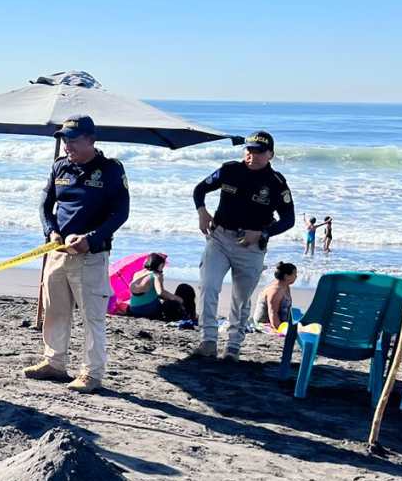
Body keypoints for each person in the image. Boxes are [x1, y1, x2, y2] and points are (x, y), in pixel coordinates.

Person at [23, 115, 130, 393]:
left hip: (90, 255)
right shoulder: (60, 167)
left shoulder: (110, 170)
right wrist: (51, 231)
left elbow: (120, 213)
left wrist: (91, 239)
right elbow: (45, 206)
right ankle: (54, 362)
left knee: (92, 316)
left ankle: (91, 374)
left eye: (73, 139)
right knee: (55, 309)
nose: (67, 145)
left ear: (90, 140)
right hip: (58, 252)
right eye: (64, 139)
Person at [191, 130, 296, 361]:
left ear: (270, 154)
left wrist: (263, 233)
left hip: (251, 247)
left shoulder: (276, 183)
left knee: (241, 297)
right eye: (249, 149)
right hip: (219, 238)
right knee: (209, 286)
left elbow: (289, 219)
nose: (252, 155)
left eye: (259, 151)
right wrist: (202, 212)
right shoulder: (229, 169)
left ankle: (233, 347)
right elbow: (199, 189)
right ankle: (208, 340)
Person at [127, 253, 194, 322]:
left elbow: (146, 292)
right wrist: (178, 299)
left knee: (166, 299)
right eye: (163, 266)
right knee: (173, 301)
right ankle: (188, 314)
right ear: (160, 265)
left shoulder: (137, 274)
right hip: (147, 310)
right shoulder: (155, 275)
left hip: (134, 309)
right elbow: (160, 292)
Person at [254, 261, 298, 332]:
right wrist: (281, 330)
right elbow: (273, 313)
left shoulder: (286, 286)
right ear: (286, 276)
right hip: (265, 323)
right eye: (294, 274)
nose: (296, 277)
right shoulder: (275, 291)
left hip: (281, 321)